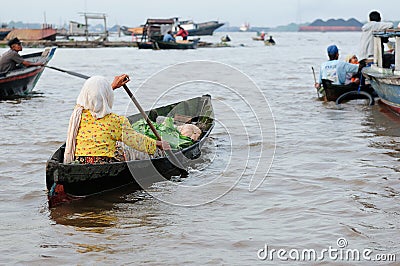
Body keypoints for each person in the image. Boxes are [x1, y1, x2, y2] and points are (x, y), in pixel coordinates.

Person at [63, 74, 171, 164]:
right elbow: (137, 141)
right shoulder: (116, 121)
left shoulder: (79, 113)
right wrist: (158, 144)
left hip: (80, 162)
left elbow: (95, 96)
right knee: (123, 151)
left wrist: (113, 86)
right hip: (104, 164)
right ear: (108, 95)